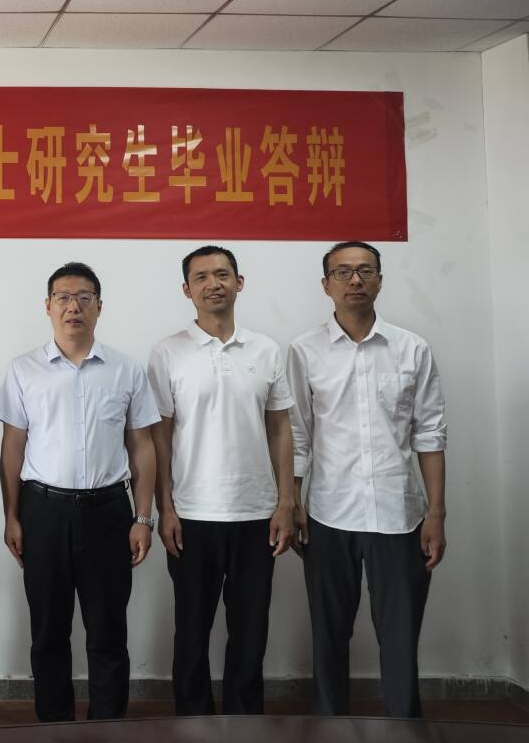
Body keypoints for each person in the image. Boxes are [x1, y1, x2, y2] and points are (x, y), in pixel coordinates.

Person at [288, 241, 446, 718]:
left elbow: (430, 434)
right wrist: (292, 503)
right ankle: (330, 725)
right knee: (329, 633)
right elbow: (298, 435)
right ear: (326, 285)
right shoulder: (303, 350)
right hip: (328, 514)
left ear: (379, 280)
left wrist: (436, 514)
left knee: (400, 635)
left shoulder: (412, 348)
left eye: (365, 271)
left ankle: (404, 725)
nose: (355, 280)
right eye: (343, 272)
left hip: (399, 514)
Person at [0, 262, 159, 722]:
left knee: (108, 630)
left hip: (108, 512)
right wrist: (11, 517)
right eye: (63, 298)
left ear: (99, 307)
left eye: (84, 297)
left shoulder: (126, 369)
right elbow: (12, 447)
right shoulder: (24, 369)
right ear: (47, 306)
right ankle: (55, 727)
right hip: (43, 511)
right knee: (49, 631)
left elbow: (142, 446)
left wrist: (142, 517)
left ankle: (107, 727)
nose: (73, 307)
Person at [147, 245, 295, 716]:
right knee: (192, 630)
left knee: (251, 631)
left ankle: (243, 722)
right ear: (186, 289)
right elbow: (159, 437)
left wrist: (286, 503)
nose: (213, 284)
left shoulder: (266, 349)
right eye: (201, 277)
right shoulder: (167, 352)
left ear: (239, 282)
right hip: (192, 514)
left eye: (222, 274)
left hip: (256, 513)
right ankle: (193, 722)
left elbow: (280, 428)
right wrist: (165, 508)